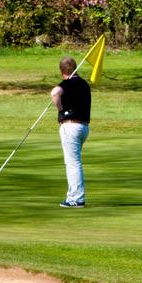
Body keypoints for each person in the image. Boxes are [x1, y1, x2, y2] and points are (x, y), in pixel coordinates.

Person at [51, 56, 91, 208]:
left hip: (71, 126)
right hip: (83, 127)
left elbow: (55, 92)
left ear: (62, 71)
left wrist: (60, 109)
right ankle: (72, 195)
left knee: (73, 162)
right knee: (74, 161)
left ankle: (76, 198)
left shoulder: (67, 83)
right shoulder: (84, 84)